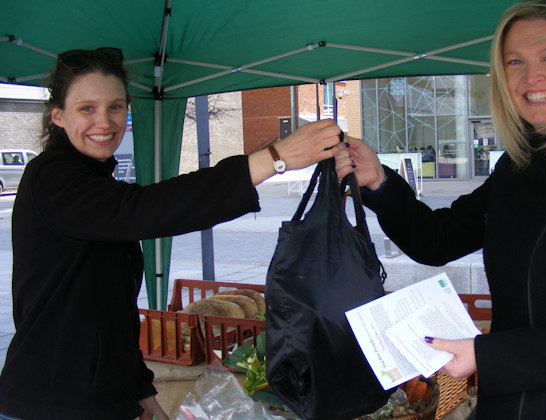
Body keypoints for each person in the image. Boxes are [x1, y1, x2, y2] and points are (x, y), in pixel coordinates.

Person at [335, 0, 546, 418]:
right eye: (514, 61)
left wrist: (487, 355)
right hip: (511, 402)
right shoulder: (520, 163)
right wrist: (379, 182)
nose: (532, 77)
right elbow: (438, 239)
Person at [0, 47, 343, 419]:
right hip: (50, 401)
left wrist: (145, 397)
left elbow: (109, 315)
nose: (104, 121)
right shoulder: (52, 178)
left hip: (101, 398)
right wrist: (275, 157)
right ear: (58, 116)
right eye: (87, 108)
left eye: (115, 107)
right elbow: (148, 208)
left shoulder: (94, 182)